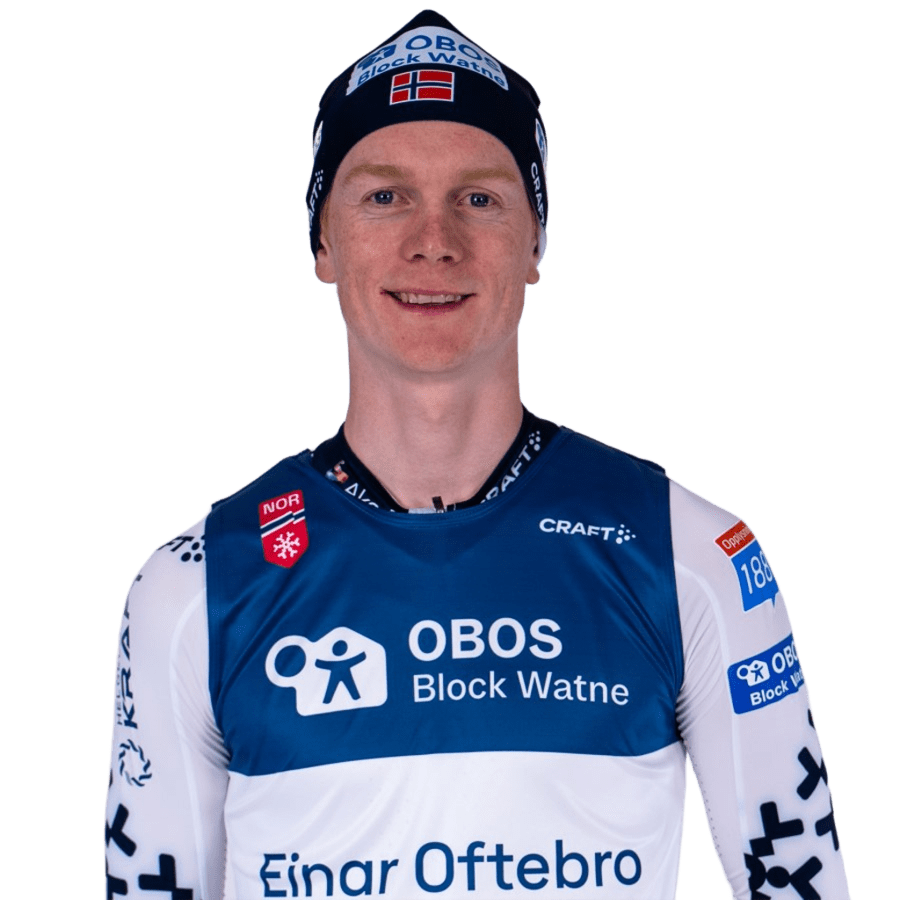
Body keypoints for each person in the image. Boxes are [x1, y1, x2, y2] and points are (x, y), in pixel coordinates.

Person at [104, 9, 852, 899]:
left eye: (481, 198)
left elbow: (798, 882)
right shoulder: (194, 588)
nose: (435, 240)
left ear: (535, 241)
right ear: (322, 241)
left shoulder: (693, 556)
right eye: (384, 196)